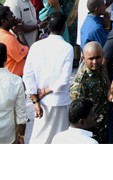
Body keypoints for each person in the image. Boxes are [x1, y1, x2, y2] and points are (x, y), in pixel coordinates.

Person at [24, 10, 75, 144]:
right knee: (59, 140)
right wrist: (43, 93)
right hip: (57, 101)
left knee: (39, 139)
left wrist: (36, 99)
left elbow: (28, 75)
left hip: (41, 102)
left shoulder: (36, 46)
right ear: (64, 27)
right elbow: (64, 80)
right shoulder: (67, 48)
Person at [69, 43, 111, 145]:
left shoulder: (101, 70)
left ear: (103, 55)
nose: (95, 62)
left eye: (98, 57)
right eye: (91, 59)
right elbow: (77, 115)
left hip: (104, 127)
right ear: (83, 58)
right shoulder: (80, 83)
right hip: (90, 132)